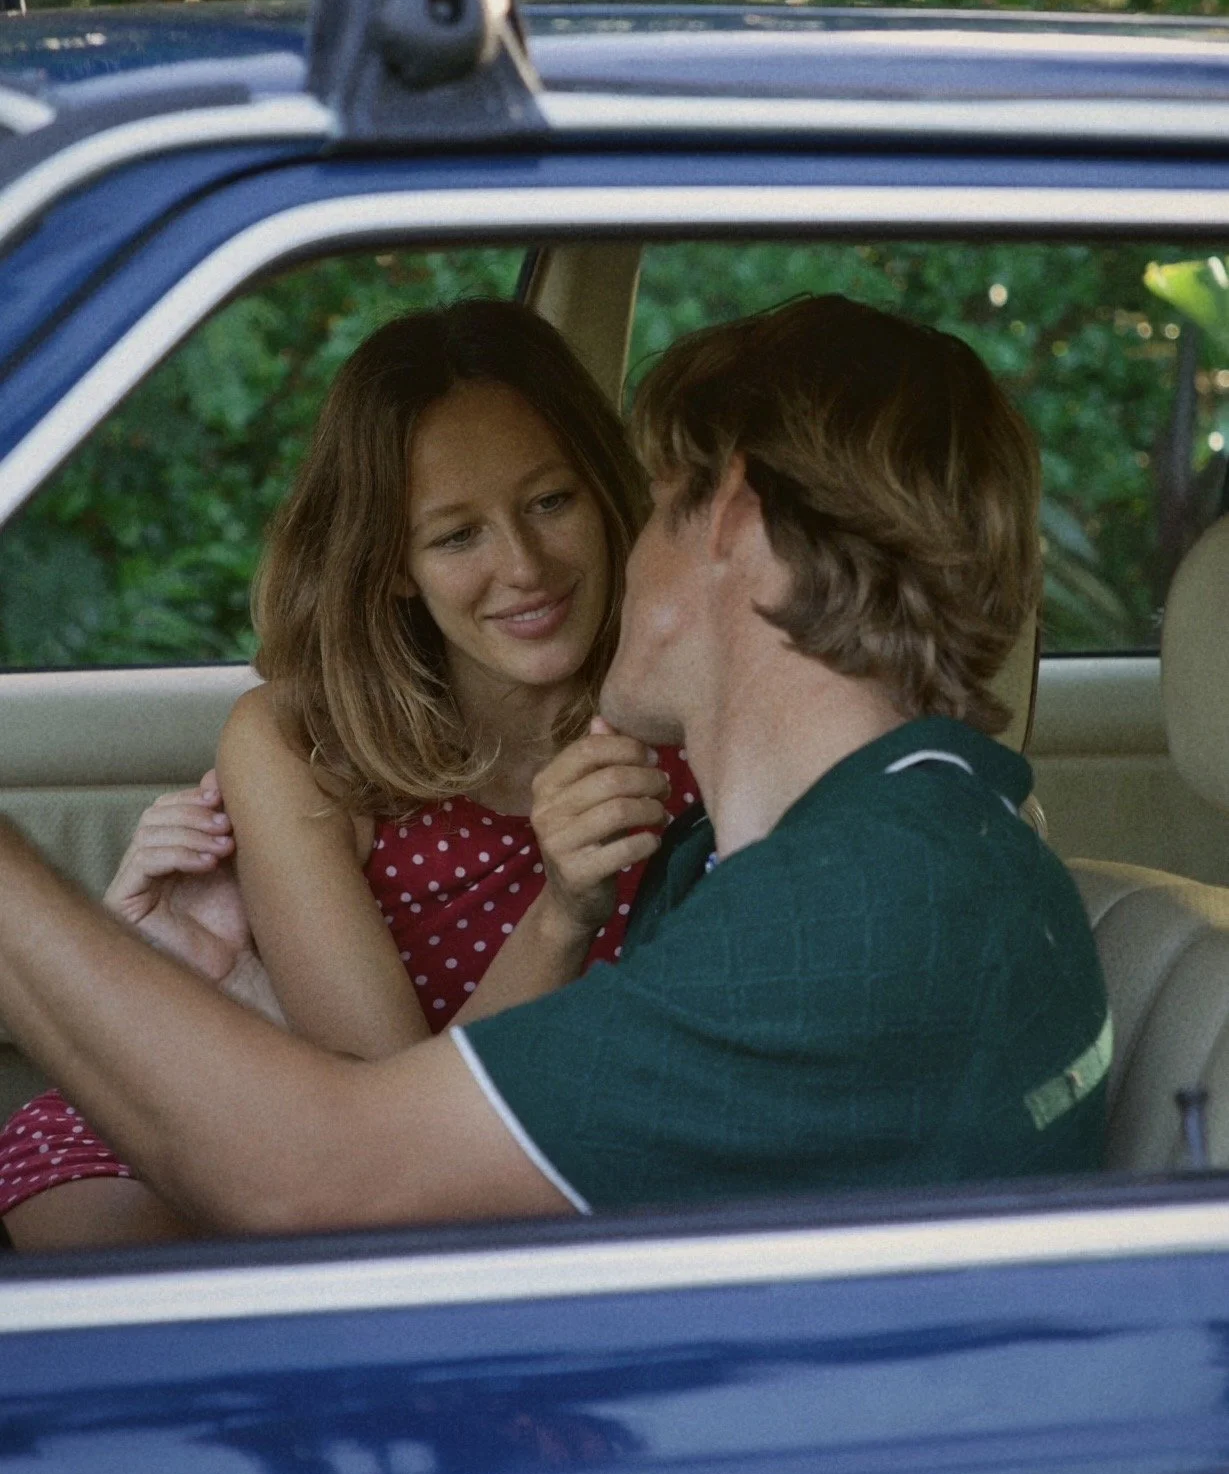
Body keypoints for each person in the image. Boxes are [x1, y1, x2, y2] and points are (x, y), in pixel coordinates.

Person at [0, 295, 1109, 1238]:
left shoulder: (852, 907)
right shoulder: (852, 849)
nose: (582, 558)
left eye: (642, 501)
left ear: (725, 520)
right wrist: (241, 994)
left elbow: (341, 1181)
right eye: (457, 536)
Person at [0, 301, 696, 1248]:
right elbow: (387, 1150)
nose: (524, 566)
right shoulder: (304, 742)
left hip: (565, 1163)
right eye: (456, 536)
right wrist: (562, 914)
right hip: (299, 1138)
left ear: (606, 499)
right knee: (130, 1284)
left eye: (549, 502)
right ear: (394, 564)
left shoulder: (692, 702)